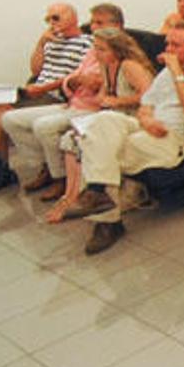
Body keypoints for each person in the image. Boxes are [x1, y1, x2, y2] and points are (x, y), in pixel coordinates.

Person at [62, 23, 184, 254]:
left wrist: (178, 73)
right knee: (102, 122)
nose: (167, 49)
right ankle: (98, 192)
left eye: (175, 44)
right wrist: (147, 118)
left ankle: (107, 221)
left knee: (100, 148)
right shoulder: (165, 74)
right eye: (167, 43)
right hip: (145, 126)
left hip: (173, 137)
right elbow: (146, 103)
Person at [0, 6, 129, 201]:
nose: (93, 27)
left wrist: (79, 82)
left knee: (43, 126)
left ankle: (60, 177)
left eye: (99, 23)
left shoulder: (117, 48)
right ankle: (47, 166)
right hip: (73, 102)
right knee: (9, 118)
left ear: (117, 26)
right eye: (92, 22)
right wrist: (73, 81)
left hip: (92, 108)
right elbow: (73, 77)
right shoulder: (94, 46)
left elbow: (98, 83)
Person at [0, 3, 94, 195]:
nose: (51, 23)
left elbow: (79, 75)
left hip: (56, 93)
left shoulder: (86, 42)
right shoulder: (51, 40)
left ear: (73, 17)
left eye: (55, 18)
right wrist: (41, 43)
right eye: (48, 19)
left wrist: (44, 87)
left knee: (4, 112)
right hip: (37, 89)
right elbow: (36, 70)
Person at [42, 26, 155, 223]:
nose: (96, 53)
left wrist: (118, 101)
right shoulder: (106, 66)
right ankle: (72, 196)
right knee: (72, 138)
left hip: (134, 118)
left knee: (88, 140)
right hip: (111, 116)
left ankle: (81, 199)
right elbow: (104, 93)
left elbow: (151, 95)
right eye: (96, 48)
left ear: (117, 50)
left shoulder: (129, 66)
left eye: (102, 49)